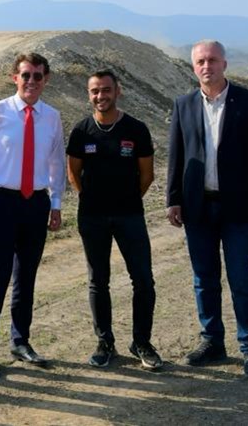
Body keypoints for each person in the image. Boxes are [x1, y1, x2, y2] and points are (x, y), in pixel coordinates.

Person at [167, 40, 248, 379]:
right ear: (193, 67)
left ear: (224, 64)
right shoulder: (183, 104)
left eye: (212, 60)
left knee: (241, 277)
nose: (207, 66)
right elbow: (176, 156)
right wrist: (173, 199)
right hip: (197, 207)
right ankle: (212, 340)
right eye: (200, 61)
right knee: (204, 279)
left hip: (239, 206)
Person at [0, 52, 65, 379]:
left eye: (38, 76)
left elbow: (57, 163)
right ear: (15, 78)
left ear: (45, 79)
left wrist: (55, 203)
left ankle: (20, 341)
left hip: (36, 203)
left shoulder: (52, 117)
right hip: (2, 202)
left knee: (26, 276)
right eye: (26, 75)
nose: (31, 81)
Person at [67, 70, 162, 370]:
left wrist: (126, 200)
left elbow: (147, 175)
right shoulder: (81, 131)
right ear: (89, 94)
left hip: (130, 215)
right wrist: (91, 199)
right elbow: (73, 173)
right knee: (98, 281)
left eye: (106, 90)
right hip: (92, 217)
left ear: (117, 91)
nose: (100, 96)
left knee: (143, 280)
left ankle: (142, 342)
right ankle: (105, 342)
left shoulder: (136, 129)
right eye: (95, 91)